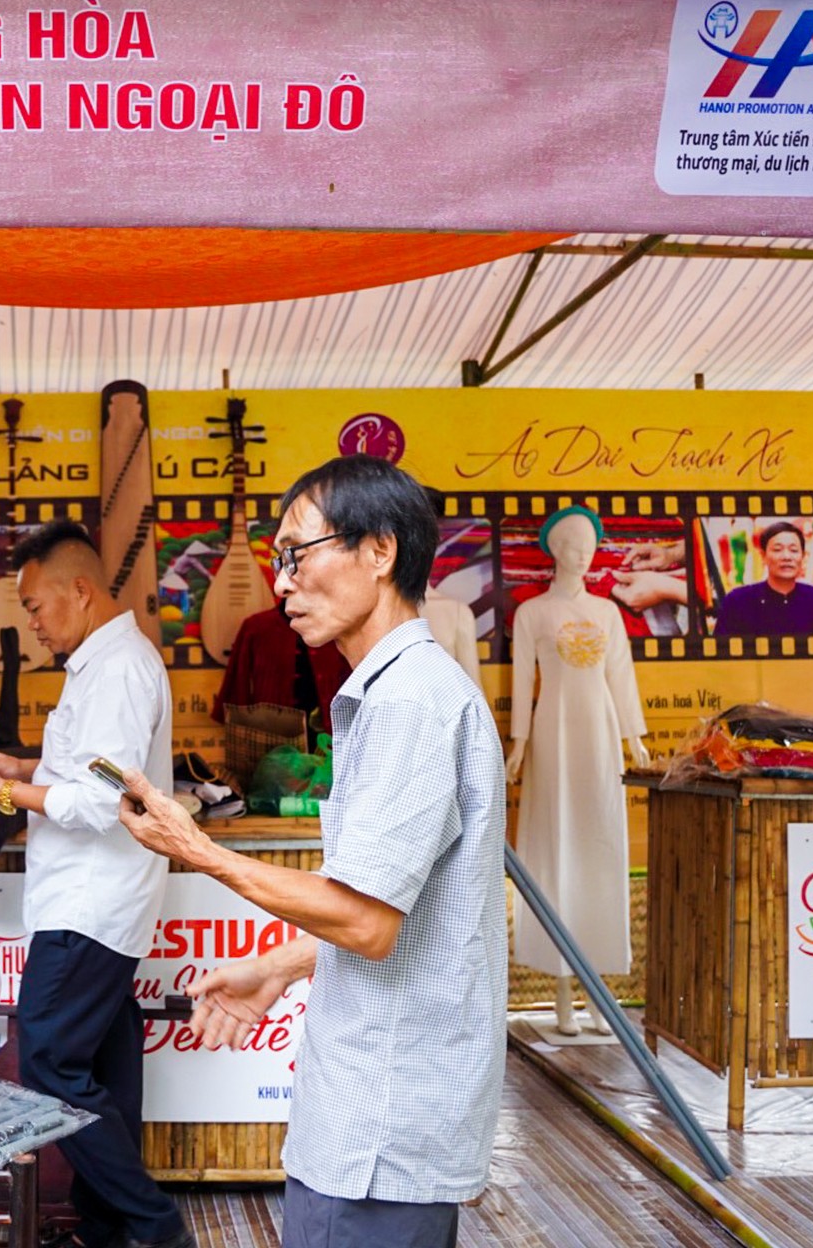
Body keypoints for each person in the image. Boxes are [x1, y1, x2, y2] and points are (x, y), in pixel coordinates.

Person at [111, 456, 506, 1248]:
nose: (280, 580)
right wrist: (279, 968)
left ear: (379, 550)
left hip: (377, 1127)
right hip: (375, 1114)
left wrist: (197, 848)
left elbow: (365, 923)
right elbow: (400, 907)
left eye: (297, 552)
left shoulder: (409, 705)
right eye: (275, 558)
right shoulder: (394, 693)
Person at [0, 519, 191, 1248]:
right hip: (95, 899)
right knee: (105, 1062)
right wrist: (17, 768)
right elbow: (84, 774)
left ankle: (156, 1227)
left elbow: (101, 802)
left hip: (91, 901)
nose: (32, 623)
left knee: (48, 1060)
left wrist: (3, 793)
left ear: (79, 592)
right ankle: (107, 1227)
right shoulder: (105, 664)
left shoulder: (116, 671)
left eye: (36, 606)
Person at [714, 520, 813, 636]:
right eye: (777, 549)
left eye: (793, 550)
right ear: (763, 556)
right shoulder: (737, 601)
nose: (786, 556)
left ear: (803, 557)